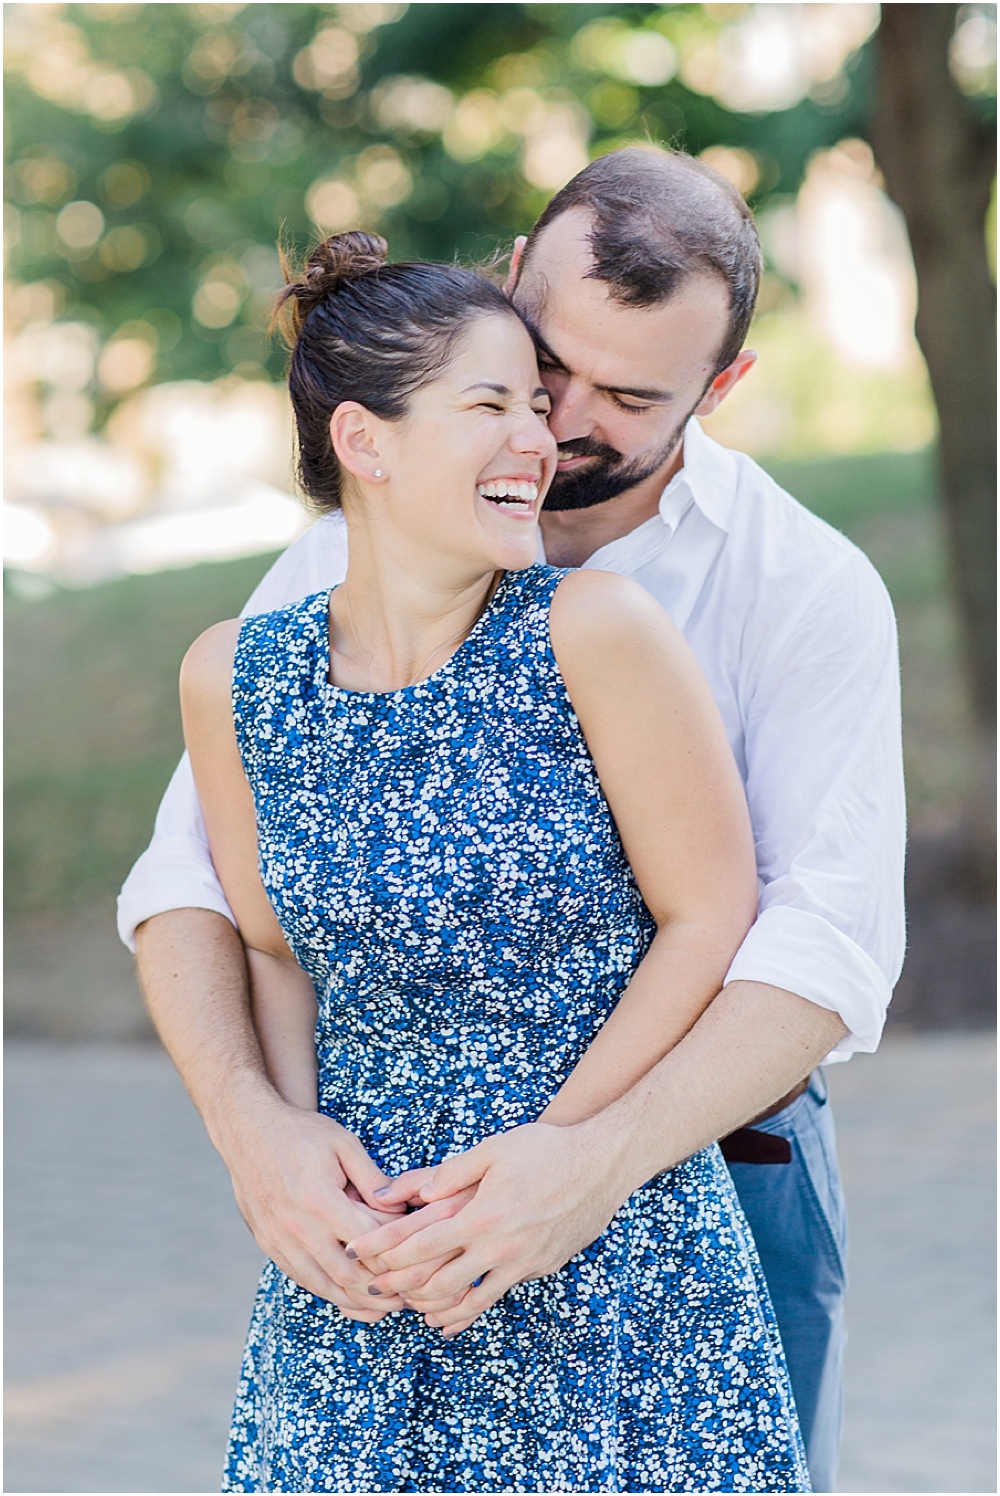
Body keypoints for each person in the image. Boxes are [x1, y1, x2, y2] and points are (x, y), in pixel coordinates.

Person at [119, 145, 905, 1493]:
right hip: (392, 1216)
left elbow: (814, 943)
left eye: (628, 394)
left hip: (714, 1162)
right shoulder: (333, 568)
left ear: (720, 390)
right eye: (542, 366)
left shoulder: (803, 590)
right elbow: (200, 885)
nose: (561, 420)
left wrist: (587, 1161)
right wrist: (257, 1130)